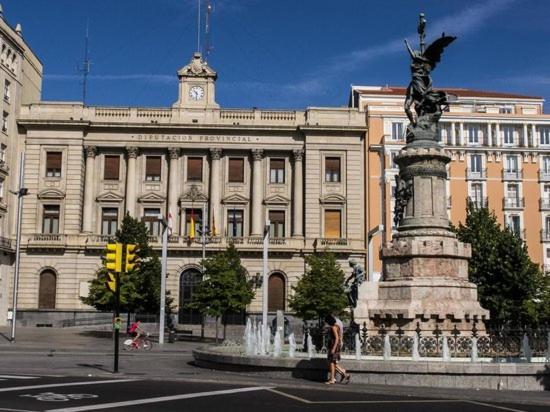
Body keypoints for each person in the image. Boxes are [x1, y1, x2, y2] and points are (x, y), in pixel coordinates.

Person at [324, 314, 351, 385]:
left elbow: (336, 338)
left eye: (327, 322)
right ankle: (344, 374)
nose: (327, 323)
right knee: (332, 363)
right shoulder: (337, 326)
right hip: (336, 346)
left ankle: (334, 378)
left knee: (331, 363)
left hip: (334, 346)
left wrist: (333, 348)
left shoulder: (333, 327)